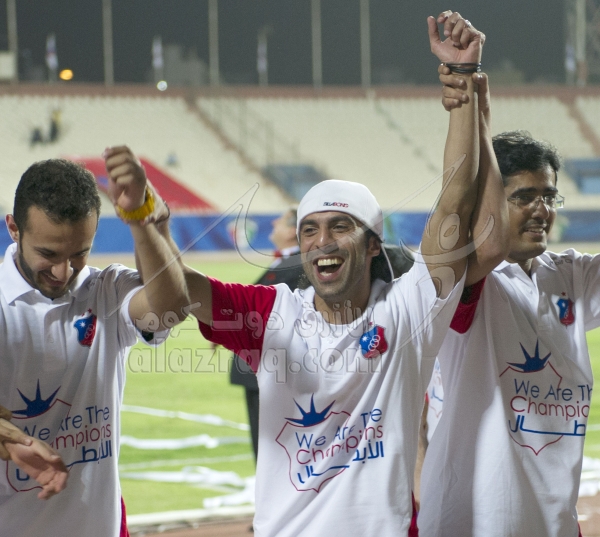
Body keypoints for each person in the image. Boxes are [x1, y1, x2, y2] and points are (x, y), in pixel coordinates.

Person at [177, 12, 501, 536]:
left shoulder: (408, 311)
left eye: (340, 227)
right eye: (309, 230)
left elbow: (455, 200)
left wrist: (464, 81)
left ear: (373, 245)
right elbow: (182, 291)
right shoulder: (273, 312)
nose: (321, 242)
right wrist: (147, 224)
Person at [419, 66, 590, 537]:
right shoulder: (467, 282)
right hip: (472, 522)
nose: (542, 209)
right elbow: (480, 239)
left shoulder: (572, 275)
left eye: (550, 196)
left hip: (555, 523)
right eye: (524, 197)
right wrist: (475, 112)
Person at [0, 147, 188, 537]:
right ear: (13, 229)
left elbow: (170, 308)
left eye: (79, 254)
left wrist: (141, 220)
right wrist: (12, 440)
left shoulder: (106, 288)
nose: (62, 271)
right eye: (48, 254)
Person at [230, 208, 304, 461]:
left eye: (280, 221)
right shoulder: (286, 262)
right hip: (262, 366)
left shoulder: (298, 264)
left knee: (272, 453)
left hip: (270, 368)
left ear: (292, 231)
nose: (273, 222)